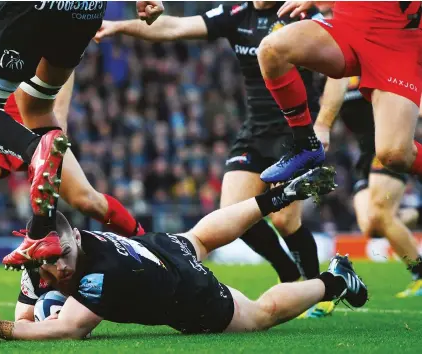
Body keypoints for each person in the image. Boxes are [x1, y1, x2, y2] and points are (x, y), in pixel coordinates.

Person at [94, 1, 333, 318]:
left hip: (294, 131)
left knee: (285, 221)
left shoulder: (298, 12)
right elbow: (175, 27)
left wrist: (324, 123)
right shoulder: (236, 14)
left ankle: (318, 288)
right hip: (255, 131)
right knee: (233, 217)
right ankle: (290, 276)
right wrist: (119, 25)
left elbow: (339, 68)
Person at [0, 1, 147, 329]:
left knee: (87, 200)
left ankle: (147, 243)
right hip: (77, 18)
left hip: (18, 120)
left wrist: (63, 118)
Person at [0, 168, 368, 341]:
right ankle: (279, 197)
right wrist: (37, 306)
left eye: (58, 258)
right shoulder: (63, 247)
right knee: (200, 236)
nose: (55, 267)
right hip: (158, 247)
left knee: (260, 315)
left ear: (74, 239)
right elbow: (36, 304)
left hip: (185, 292)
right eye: (46, 262)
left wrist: (0, 327)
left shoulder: (98, 277)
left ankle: (333, 280)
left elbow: (69, 329)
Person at [254, 1, 422, 184]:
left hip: (397, 43)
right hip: (348, 26)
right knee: (271, 50)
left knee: (395, 155)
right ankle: (305, 144)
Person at [315, 75, 422, 298]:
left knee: (380, 215)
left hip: (389, 147)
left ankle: (419, 274)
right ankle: (417, 215)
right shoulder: (335, 74)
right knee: (371, 226)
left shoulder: (376, 65)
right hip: (364, 156)